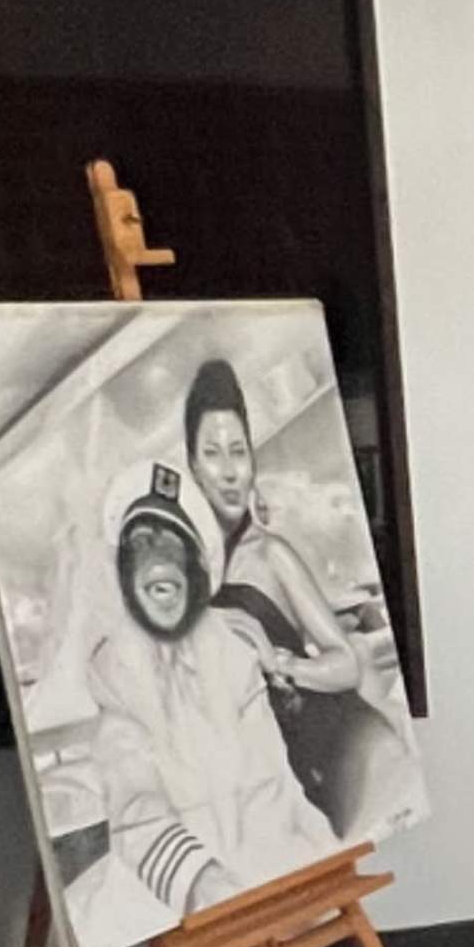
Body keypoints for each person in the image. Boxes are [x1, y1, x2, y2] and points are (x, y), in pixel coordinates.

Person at [86, 457, 337, 917]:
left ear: (197, 569)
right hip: (198, 890)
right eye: (140, 543)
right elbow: (135, 803)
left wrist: (323, 854)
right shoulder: (116, 670)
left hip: (277, 868)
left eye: (170, 543)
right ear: (124, 573)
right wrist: (201, 880)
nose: (157, 556)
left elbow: (275, 783)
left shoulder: (231, 645)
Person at [177, 352, 408, 836]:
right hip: (288, 781)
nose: (228, 470)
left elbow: (345, 666)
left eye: (238, 450)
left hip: (353, 753)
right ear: (193, 465)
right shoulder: (189, 576)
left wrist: (275, 660)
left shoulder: (270, 553)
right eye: (213, 453)